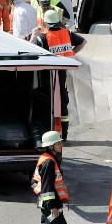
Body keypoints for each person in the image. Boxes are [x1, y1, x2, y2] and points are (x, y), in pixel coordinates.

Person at [31, 10, 86, 140]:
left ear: (46, 23)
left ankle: (50, 133)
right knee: (62, 103)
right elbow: (82, 42)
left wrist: (33, 36)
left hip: (47, 75)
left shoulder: (42, 37)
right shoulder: (66, 32)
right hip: (62, 72)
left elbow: (31, 50)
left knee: (48, 102)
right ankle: (64, 134)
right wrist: (72, 53)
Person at [32, 131, 78, 224]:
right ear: (51, 146)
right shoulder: (49, 162)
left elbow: (34, 183)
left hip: (45, 204)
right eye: (58, 143)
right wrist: (53, 206)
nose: (61, 145)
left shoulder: (47, 159)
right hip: (50, 205)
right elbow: (47, 187)